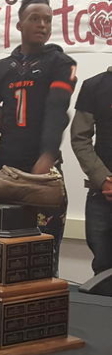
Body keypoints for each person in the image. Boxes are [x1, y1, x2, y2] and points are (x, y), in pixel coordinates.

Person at [0, 0, 77, 274]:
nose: (42, 25)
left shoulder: (60, 63)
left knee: (43, 251)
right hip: (6, 168)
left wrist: (47, 154)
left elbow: (56, 111)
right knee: (1, 248)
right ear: (19, 25)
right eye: (35, 19)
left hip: (43, 170)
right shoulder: (1, 68)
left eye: (47, 20)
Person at [71, 66, 112, 275]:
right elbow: (80, 137)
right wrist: (103, 179)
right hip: (103, 196)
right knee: (103, 271)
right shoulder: (95, 86)